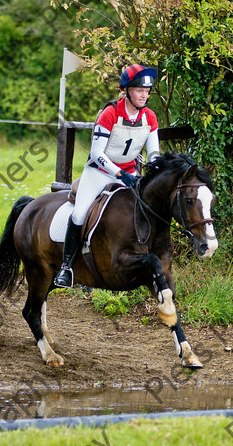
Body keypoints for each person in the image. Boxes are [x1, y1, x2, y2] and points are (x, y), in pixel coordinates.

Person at [54, 64, 161, 288]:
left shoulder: (150, 116)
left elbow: (153, 152)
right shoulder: (110, 113)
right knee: (80, 213)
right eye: (139, 90)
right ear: (127, 91)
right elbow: (96, 153)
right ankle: (66, 267)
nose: (144, 95)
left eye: (147, 91)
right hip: (100, 172)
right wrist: (120, 173)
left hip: (130, 174)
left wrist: (153, 169)